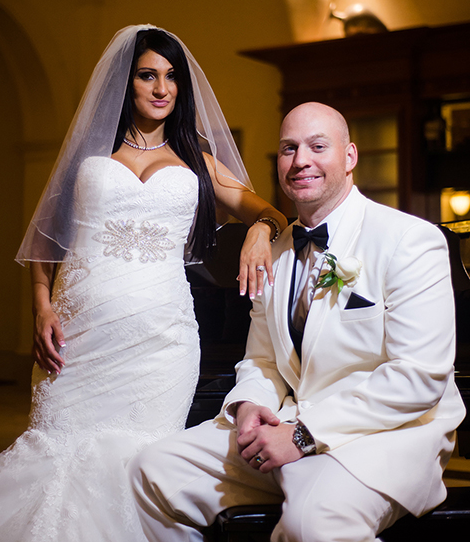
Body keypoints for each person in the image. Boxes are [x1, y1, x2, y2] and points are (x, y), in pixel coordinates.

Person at [0, 25, 287, 542]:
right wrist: (41, 306)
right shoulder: (89, 155)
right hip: (78, 337)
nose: (162, 88)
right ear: (124, 82)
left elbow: (270, 213)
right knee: (57, 451)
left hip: (160, 343)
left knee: (142, 458)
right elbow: (44, 239)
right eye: (148, 75)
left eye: (171, 77)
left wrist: (260, 231)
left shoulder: (199, 163)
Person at [129, 102, 465, 542]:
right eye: (289, 148)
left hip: (386, 436)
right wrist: (249, 406)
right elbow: (263, 360)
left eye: (317, 146)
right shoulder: (273, 250)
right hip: (288, 426)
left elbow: (417, 378)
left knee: (312, 523)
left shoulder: (409, 240)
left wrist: (303, 436)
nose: (300, 160)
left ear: (350, 157)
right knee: (153, 470)